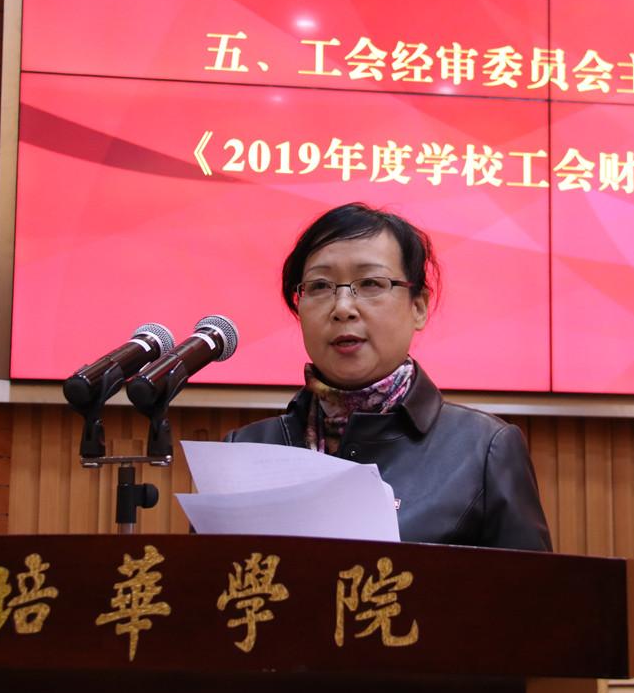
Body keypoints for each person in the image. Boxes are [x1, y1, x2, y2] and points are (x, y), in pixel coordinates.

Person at [224, 203, 551, 551]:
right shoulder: (244, 451)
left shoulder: (483, 450)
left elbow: (529, 586)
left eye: (370, 283)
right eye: (319, 286)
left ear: (418, 306)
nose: (343, 308)